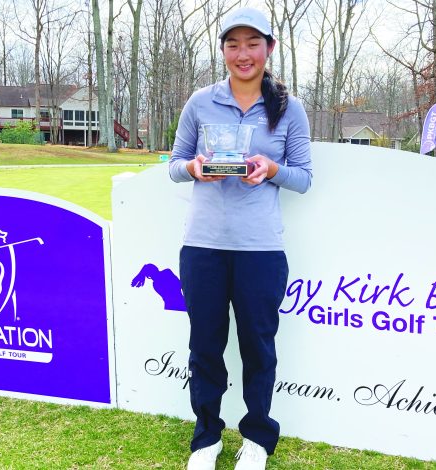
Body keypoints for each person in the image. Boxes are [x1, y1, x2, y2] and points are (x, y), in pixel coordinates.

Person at [168, 7, 312, 470]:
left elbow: (304, 178)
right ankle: (206, 436)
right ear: (223, 51)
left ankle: (257, 438)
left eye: (253, 44)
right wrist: (193, 169)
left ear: (269, 49)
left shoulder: (289, 109)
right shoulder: (200, 101)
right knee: (205, 346)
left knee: (258, 347)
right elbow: (173, 165)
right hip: (203, 247)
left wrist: (271, 171)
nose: (243, 54)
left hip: (260, 251)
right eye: (233, 44)